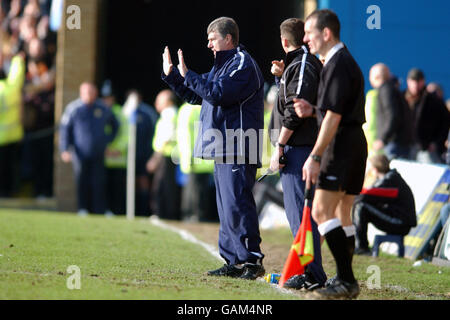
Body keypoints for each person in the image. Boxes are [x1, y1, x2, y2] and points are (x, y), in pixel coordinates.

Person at [161, 17, 265, 280]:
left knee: (237, 202)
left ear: (228, 38)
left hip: (239, 143)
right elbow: (198, 95)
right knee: (225, 205)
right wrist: (173, 75)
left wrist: (189, 75)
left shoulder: (241, 63)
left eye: (212, 39)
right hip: (224, 145)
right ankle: (232, 260)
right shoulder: (223, 65)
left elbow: (218, 93)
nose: (208, 45)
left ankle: (252, 261)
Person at [293, 9, 367, 299]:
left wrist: (314, 156)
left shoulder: (337, 63)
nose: (306, 40)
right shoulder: (342, 61)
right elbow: (336, 111)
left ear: (326, 33)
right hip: (353, 143)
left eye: (309, 34)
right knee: (342, 213)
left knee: (322, 211)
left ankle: (347, 280)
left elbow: (335, 117)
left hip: (340, 145)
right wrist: (313, 111)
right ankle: (345, 278)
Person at [268, 18, 326, 290]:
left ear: (284, 41)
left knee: (301, 215)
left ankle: (311, 272)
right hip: (298, 148)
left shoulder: (302, 63)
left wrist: (279, 145)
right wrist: (281, 76)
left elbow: (295, 111)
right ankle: (310, 270)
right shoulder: (296, 64)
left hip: (298, 149)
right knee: (302, 214)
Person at [59, 82, 118, 215]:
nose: (89, 95)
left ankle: (101, 210)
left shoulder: (103, 107)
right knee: (81, 180)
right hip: (79, 152)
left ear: (96, 93)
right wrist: (64, 149)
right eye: (86, 92)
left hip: (98, 151)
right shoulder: (73, 108)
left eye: (91, 92)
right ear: (81, 93)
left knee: (99, 182)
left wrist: (108, 141)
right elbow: (64, 130)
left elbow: (115, 125)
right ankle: (82, 208)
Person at [352, 154, 416, 255]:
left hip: (400, 223)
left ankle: (361, 247)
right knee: (361, 205)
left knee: (361, 206)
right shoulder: (390, 178)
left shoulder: (390, 180)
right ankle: (359, 245)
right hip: (399, 220)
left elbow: (365, 195)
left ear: (375, 169)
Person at [177, 102, 218, 222]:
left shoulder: (186, 109)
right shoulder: (206, 107)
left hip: (196, 158)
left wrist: (188, 155)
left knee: (193, 190)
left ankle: (191, 215)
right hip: (202, 158)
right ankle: (195, 215)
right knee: (197, 191)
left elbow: (185, 135)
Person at [146, 89, 180, 220]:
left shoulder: (169, 114)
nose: (156, 104)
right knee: (165, 185)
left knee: (162, 186)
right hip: (166, 154)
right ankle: (163, 213)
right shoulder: (169, 114)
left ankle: (161, 213)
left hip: (166, 155)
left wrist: (155, 158)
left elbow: (166, 138)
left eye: (159, 101)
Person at [404, 68, 449, 163]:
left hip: (426, 147)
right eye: (413, 81)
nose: (415, 85)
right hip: (406, 146)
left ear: (423, 81)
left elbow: (445, 122)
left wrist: (436, 143)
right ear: (408, 81)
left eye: (418, 81)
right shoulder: (402, 98)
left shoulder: (433, 100)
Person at [370, 63, 413, 160]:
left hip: (394, 144)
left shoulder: (386, 90)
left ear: (376, 77)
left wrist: (383, 139)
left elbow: (392, 115)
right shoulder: (392, 89)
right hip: (398, 142)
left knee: (392, 172)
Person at [0, 51, 25, 197]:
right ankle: (12, 191)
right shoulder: (12, 88)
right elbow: (17, 77)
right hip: (15, 134)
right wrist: (17, 60)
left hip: (1, 137)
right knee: (13, 167)